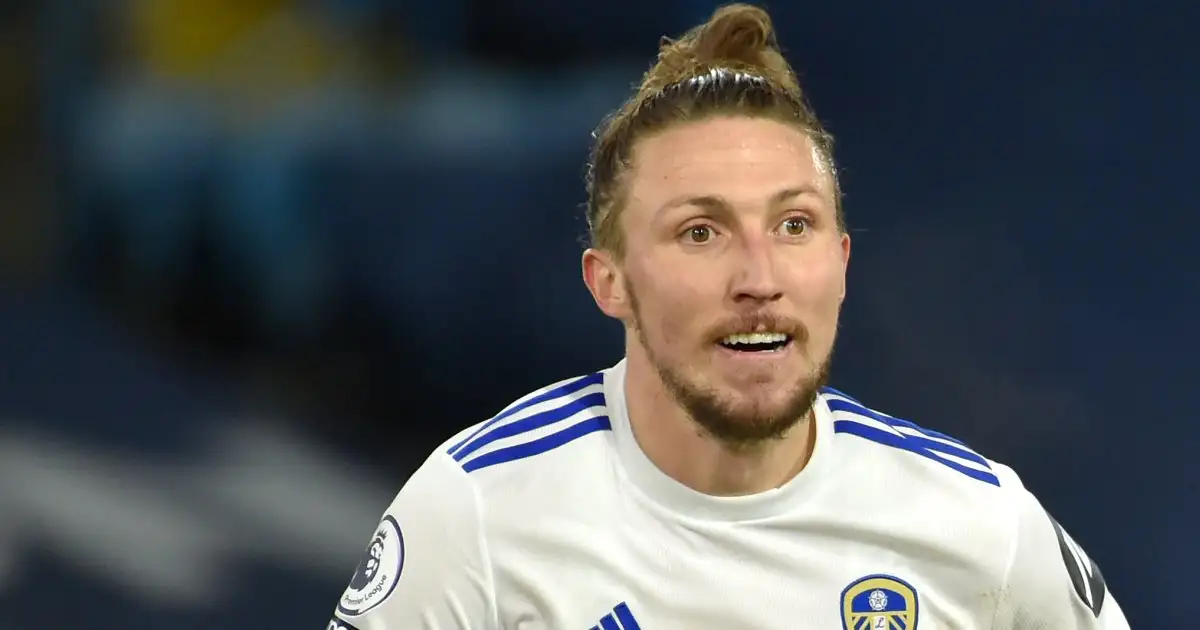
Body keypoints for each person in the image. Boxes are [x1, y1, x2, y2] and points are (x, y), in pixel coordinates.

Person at [326, 4, 1130, 629]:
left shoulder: (979, 525)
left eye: (793, 225)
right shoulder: (477, 515)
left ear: (842, 263)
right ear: (609, 283)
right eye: (701, 232)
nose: (759, 279)